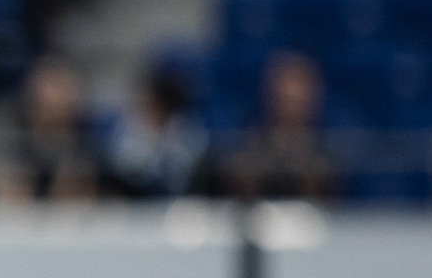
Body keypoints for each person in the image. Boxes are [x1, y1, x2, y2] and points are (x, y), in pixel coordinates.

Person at [221, 51, 338, 203]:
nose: (291, 95)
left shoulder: (326, 151)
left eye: (299, 86)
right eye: (285, 86)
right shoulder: (249, 144)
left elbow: (328, 199)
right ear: (270, 92)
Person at [0, 55, 100, 204]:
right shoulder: (17, 156)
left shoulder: (88, 154)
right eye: (52, 84)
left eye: (63, 84)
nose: (57, 96)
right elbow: (8, 211)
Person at [103, 66, 207, 199]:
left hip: (179, 195)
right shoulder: (130, 124)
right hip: (135, 195)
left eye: (157, 104)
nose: (152, 108)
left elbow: (185, 164)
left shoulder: (187, 125)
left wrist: (162, 142)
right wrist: (148, 139)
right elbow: (126, 165)